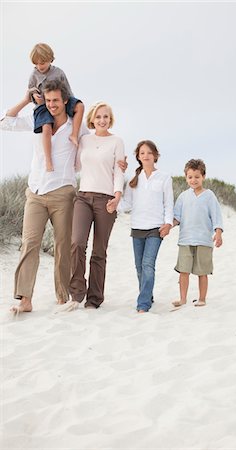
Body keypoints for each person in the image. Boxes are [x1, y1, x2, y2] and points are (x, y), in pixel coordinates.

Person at [0, 79, 89, 314]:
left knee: (63, 246)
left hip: (63, 192)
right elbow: (5, 122)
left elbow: (95, 145)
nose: (51, 105)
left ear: (65, 100)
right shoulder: (38, 119)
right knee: (29, 243)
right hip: (36, 192)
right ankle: (25, 299)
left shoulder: (76, 126)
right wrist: (25, 100)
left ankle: (62, 297)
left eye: (56, 101)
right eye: (48, 100)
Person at [62, 102, 125, 311]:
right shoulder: (84, 140)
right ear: (92, 119)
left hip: (106, 200)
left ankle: (94, 299)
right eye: (98, 117)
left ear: (110, 119)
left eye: (106, 116)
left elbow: (119, 172)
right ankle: (76, 293)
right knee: (77, 243)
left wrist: (117, 197)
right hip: (83, 197)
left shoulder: (117, 141)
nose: (102, 120)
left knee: (99, 251)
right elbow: (76, 165)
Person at [120, 140, 174, 313]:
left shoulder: (164, 178)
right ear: (138, 156)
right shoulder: (133, 179)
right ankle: (147, 294)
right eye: (142, 153)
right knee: (139, 266)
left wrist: (168, 224)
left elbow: (168, 204)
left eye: (149, 152)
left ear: (155, 155)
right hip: (137, 227)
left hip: (155, 229)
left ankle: (143, 303)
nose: (146, 156)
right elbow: (127, 204)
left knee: (148, 264)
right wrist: (114, 204)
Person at [172, 159, 223, 308]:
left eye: (197, 176)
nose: (193, 180)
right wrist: (168, 226)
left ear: (203, 176)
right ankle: (182, 299)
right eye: (190, 177)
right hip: (185, 239)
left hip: (204, 240)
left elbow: (216, 217)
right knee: (183, 271)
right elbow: (177, 218)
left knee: (202, 272)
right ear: (186, 177)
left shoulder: (209, 196)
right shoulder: (183, 196)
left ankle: (202, 298)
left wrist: (218, 233)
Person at [28, 42, 84, 172]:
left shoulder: (58, 72)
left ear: (50, 59)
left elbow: (67, 90)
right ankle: (48, 161)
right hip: (43, 105)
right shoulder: (34, 75)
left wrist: (70, 105)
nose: (39, 66)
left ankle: (74, 135)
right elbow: (30, 91)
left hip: (61, 100)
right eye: (36, 63)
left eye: (42, 63)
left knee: (80, 106)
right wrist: (35, 97)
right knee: (46, 127)